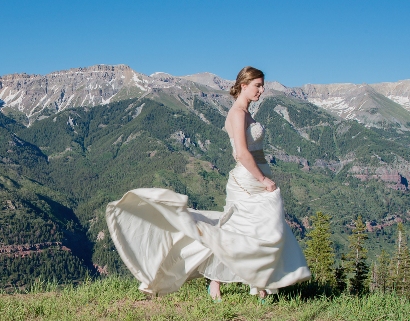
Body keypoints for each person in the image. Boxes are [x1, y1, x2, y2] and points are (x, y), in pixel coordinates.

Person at [105, 66, 311, 301]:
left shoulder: (245, 112)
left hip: (255, 176)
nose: (262, 90)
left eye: (262, 85)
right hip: (248, 180)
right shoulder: (238, 113)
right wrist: (263, 179)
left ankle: (249, 284)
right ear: (243, 85)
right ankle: (242, 284)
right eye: (257, 85)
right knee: (253, 233)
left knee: (253, 232)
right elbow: (242, 154)